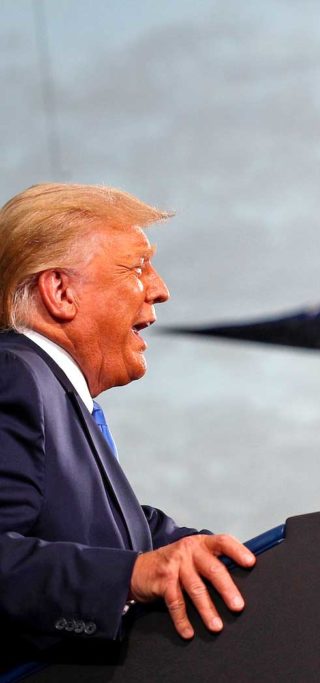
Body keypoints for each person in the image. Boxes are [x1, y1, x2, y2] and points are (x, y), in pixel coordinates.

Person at [0, 183, 255, 663]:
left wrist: (246, 563)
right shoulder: (16, 375)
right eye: (138, 267)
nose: (160, 289)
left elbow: (135, 531)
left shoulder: (60, 402)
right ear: (60, 291)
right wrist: (132, 576)